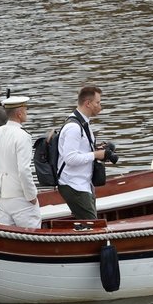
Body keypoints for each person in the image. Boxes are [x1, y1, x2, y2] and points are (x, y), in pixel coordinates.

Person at [0, 96, 40, 229]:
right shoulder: (23, 136)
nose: (26, 113)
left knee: (9, 238)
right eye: (26, 110)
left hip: (2, 198)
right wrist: (31, 195)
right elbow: (24, 170)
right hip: (21, 197)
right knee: (31, 238)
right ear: (19, 113)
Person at [57, 85, 116, 220]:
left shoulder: (83, 122)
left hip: (83, 183)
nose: (100, 106)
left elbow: (81, 151)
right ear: (88, 103)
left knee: (89, 224)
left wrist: (99, 150)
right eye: (98, 102)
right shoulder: (74, 127)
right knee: (92, 225)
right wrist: (96, 155)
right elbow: (70, 158)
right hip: (73, 184)